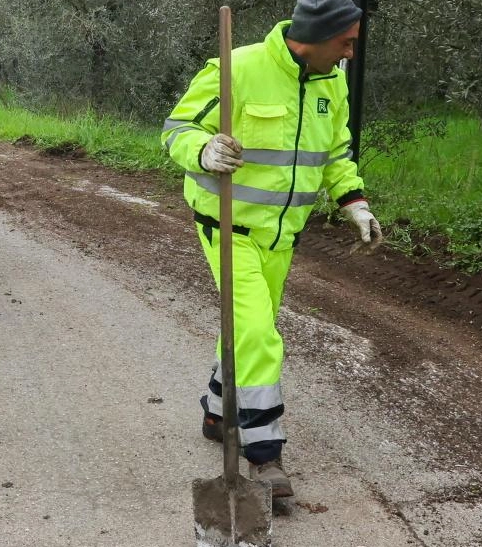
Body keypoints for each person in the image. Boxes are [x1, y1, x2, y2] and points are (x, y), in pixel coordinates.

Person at [160, 0, 383, 499]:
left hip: (283, 235)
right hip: (228, 228)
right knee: (258, 333)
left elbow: (337, 151)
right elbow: (176, 130)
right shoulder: (237, 68)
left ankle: (219, 413)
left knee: (246, 329)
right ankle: (263, 454)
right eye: (345, 41)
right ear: (318, 36)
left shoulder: (334, 83)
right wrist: (203, 150)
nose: (352, 49)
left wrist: (355, 201)